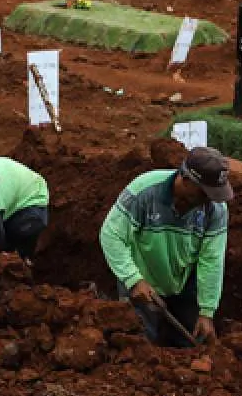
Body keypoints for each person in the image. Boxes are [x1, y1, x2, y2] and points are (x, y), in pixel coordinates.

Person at [99, 147, 232, 347]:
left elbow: (212, 259)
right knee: (138, 346)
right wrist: (133, 280)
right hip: (141, 279)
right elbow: (111, 235)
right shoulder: (144, 192)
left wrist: (207, 312)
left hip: (184, 282)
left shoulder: (215, 208)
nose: (209, 200)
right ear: (185, 179)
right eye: (204, 192)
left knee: (189, 346)